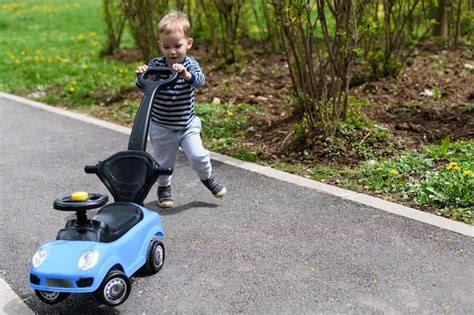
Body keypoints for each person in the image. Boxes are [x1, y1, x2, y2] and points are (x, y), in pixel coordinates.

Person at [135, 10, 226, 208]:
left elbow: (200, 82)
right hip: (161, 125)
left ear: (189, 43)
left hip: (186, 124)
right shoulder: (156, 65)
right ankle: (164, 189)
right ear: (160, 45)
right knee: (163, 162)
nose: (172, 52)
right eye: (166, 47)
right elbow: (143, 86)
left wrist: (185, 75)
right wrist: (142, 75)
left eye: (178, 46)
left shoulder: (190, 64)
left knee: (198, 155)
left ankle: (207, 177)